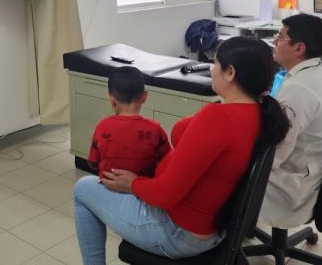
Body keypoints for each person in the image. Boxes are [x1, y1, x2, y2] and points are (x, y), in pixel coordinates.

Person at [73, 37, 291, 264]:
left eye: (215, 64)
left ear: (230, 73)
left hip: (177, 234)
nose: (212, 70)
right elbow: (179, 134)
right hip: (213, 231)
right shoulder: (261, 115)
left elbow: (164, 194)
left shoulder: (218, 118)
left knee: (82, 189)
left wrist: (132, 184)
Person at [261, 13, 322, 229]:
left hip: (292, 192)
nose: (274, 42)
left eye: (280, 37)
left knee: (221, 173)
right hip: (308, 175)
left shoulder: (300, 89)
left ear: (299, 48)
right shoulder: (314, 73)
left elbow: (275, 154)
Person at [87, 66, 171, 179]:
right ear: (144, 97)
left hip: (108, 187)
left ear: (112, 99)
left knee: (83, 184)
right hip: (141, 191)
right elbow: (167, 161)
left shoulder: (102, 126)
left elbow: (93, 163)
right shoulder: (155, 129)